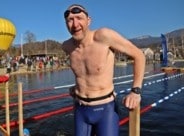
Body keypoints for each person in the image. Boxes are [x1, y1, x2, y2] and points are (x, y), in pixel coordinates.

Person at [62, 4, 146, 136]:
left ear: (89, 20)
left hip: (105, 110)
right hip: (80, 109)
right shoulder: (66, 46)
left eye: (79, 18)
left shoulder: (103, 36)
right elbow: (85, 73)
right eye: (70, 20)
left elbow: (139, 55)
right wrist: (77, 87)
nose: (75, 24)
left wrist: (136, 91)